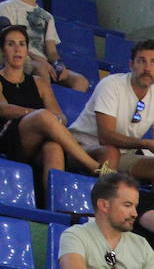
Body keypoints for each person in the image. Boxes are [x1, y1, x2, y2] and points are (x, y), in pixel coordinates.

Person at [0, 24, 106, 181]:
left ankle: (54, 203)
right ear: (2, 51)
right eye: (11, 44)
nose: (17, 49)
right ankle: (93, 166)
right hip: (8, 139)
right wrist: (36, 115)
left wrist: (54, 120)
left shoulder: (39, 82)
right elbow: (3, 110)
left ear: (27, 50)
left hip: (38, 142)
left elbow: (60, 116)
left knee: (54, 147)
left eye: (22, 44)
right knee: (43, 116)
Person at [68, 39, 154, 180]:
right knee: (111, 153)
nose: (147, 68)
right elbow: (105, 137)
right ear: (131, 64)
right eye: (141, 61)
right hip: (83, 148)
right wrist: (146, 144)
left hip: (122, 155)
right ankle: (103, 199)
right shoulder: (111, 84)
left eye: (153, 62)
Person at [0, 0, 87, 93]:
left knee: (80, 81)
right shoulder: (6, 7)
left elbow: (51, 51)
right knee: (41, 69)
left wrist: (59, 65)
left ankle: (68, 113)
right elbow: (9, 42)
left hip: (44, 63)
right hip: (20, 59)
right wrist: (39, 61)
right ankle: (47, 109)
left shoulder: (47, 16)